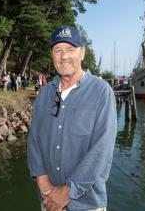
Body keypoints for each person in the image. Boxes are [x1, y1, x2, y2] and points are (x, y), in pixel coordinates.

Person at [27, 26, 117, 211]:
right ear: (51, 55)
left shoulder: (102, 92)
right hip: (48, 200)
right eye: (58, 50)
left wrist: (67, 191)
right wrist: (43, 183)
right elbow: (34, 140)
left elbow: (102, 149)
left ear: (82, 53)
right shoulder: (44, 94)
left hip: (87, 204)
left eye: (70, 49)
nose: (64, 56)